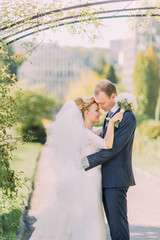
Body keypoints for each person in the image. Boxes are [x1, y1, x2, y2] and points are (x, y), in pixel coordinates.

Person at [29, 97, 123, 240]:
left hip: (92, 178)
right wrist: (111, 122)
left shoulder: (89, 131)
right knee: (86, 215)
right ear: (86, 113)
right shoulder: (84, 133)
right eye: (96, 110)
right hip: (86, 180)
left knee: (90, 214)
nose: (99, 113)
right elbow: (107, 144)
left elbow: (99, 132)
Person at [83, 80, 136, 240]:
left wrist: (84, 162)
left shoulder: (127, 117)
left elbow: (112, 150)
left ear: (113, 96)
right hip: (105, 180)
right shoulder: (109, 116)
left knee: (118, 227)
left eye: (102, 102)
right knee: (112, 228)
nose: (100, 106)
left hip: (116, 180)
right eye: (97, 103)